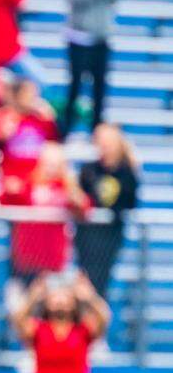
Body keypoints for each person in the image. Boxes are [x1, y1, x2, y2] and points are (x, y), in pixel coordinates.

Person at [6, 142, 91, 285]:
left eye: (55, 164)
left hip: (53, 259)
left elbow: (84, 209)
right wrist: (11, 190)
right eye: (48, 163)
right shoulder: (30, 183)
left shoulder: (66, 188)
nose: (51, 169)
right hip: (26, 258)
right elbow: (8, 199)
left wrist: (76, 198)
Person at [76, 123, 138, 297]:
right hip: (88, 236)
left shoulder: (126, 172)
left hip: (110, 236)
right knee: (86, 280)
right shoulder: (90, 169)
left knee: (100, 282)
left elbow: (129, 202)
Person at [60, 0, 116, 136]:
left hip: (100, 36)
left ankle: (97, 127)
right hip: (79, 36)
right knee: (75, 85)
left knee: (99, 85)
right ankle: (68, 126)